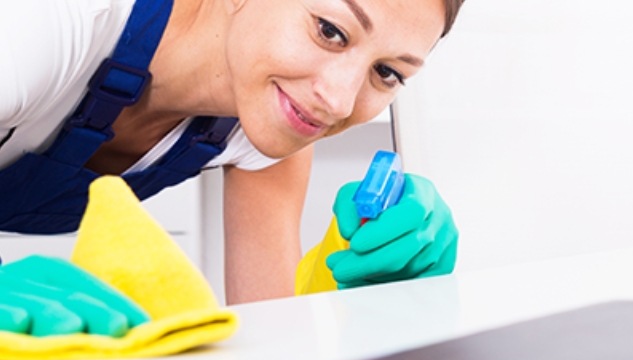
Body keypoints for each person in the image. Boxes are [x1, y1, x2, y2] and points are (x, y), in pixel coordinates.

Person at [0, 0, 463, 317]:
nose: (339, 101)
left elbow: (273, 346)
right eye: (330, 31)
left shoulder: (273, 126)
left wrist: (359, 297)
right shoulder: (47, 25)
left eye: (386, 72)